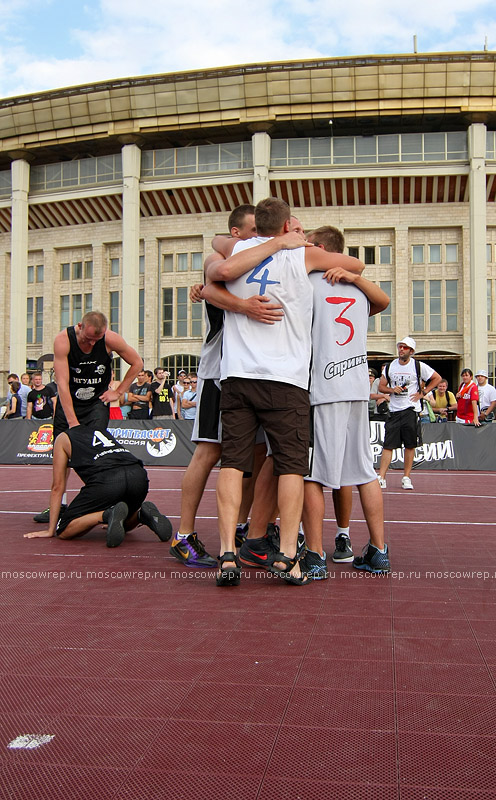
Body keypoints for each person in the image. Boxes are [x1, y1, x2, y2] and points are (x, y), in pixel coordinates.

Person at [206, 197, 365, 585]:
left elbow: (218, 258)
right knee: (291, 465)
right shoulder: (302, 253)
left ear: (253, 224)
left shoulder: (239, 247)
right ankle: (289, 555)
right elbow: (357, 264)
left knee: (233, 463)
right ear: (285, 226)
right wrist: (292, 244)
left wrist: (271, 243)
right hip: (287, 378)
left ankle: (228, 552)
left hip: (239, 374)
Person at [170, 203, 282, 569]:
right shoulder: (221, 260)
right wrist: (243, 307)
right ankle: (184, 536)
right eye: (253, 232)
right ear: (236, 234)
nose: (259, 238)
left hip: (254, 374)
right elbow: (211, 280)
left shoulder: (258, 259)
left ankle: (241, 529)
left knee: (255, 455)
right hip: (219, 373)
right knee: (210, 451)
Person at [300, 225, 391, 576]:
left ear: (323, 249)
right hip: (356, 387)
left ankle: (315, 556)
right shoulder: (359, 289)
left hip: (322, 389)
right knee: (363, 472)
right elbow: (383, 301)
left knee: (312, 475)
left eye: (310, 245)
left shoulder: (308, 283)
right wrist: (355, 276)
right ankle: (379, 550)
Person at [33, 311, 143, 523]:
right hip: (70, 403)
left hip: (96, 404)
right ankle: (58, 505)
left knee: (97, 456)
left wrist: (118, 392)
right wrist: (73, 423)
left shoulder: (110, 339)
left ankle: (109, 506)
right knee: (61, 458)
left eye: (96, 340)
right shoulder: (63, 340)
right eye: (87, 339)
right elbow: (62, 385)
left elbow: (137, 362)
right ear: (79, 326)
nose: (91, 344)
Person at [24, 425, 172, 546]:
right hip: (138, 475)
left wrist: (51, 529)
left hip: (108, 479)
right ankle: (141, 515)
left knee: (64, 530)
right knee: (125, 523)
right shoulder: (101, 430)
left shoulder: (63, 438)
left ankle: (107, 514)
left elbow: (57, 486)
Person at [377, 337, 441, 490]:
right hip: (394, 410)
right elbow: (381, 386)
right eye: (400, 347)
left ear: (411, 351)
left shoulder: (418, 366)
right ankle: (382, 476)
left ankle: (406, 477)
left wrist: (423, 392)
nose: (401, 350)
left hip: (410, 410)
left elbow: (436, 378)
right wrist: (392, 390)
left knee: (410, 445)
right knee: (388, 445)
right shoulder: (390, 366)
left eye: (405, 348)